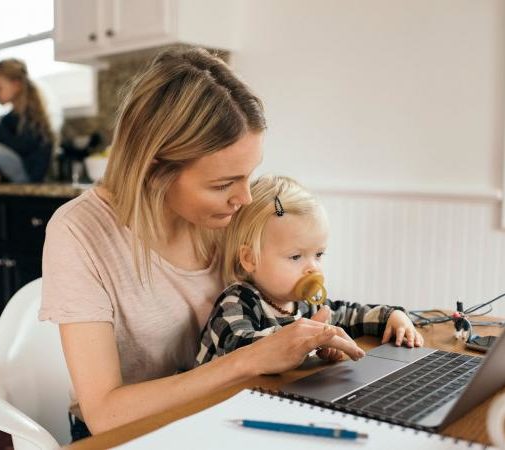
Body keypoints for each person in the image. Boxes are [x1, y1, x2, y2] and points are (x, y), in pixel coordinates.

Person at [39, 47, 366, 441]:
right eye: (223, 184)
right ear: (155, 168)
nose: (244, 198)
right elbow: (104, 414)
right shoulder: (80, 232)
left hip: (230, 411)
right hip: (135, 435)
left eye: (249, 175)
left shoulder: (228, 214)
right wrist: (248, 360)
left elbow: (272, 304)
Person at [195, 175, 424, 366]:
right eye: (295, 257)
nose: (312, 267)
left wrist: (391, 316)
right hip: (208, 404)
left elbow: (347, 315)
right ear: (249, 258)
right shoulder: (237, 301)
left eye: (319, 255)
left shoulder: (305, 304)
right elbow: (238, 351)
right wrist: (311, 340)